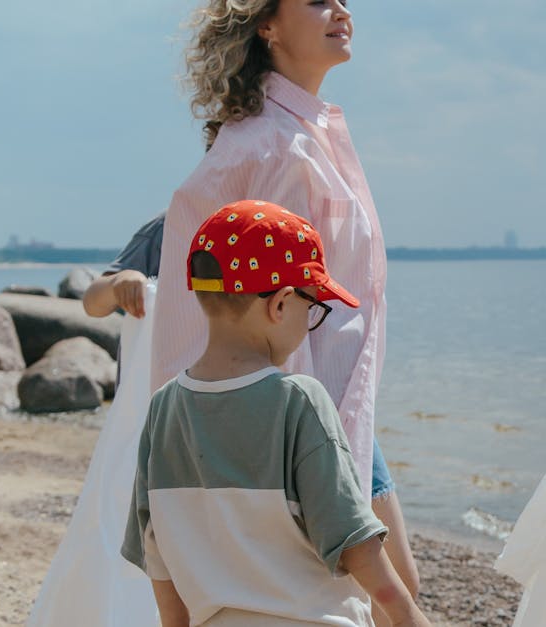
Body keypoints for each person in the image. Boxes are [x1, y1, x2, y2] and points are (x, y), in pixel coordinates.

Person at [148, 1, 421, 618]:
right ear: (266, 25)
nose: (342, 10)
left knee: (392, 590)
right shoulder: (272, 148)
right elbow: (241, 307)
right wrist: (280, 445)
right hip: (301, 413)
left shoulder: (300, 136)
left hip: (334, 402)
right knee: (379, 594)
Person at [122, 200, 430, 627]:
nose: (311, 320)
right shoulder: (298, 399)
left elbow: (156, 549)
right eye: (313, 308)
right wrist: (407, 615)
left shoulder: (164, 409)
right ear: (281, 303)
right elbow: (351, 537)